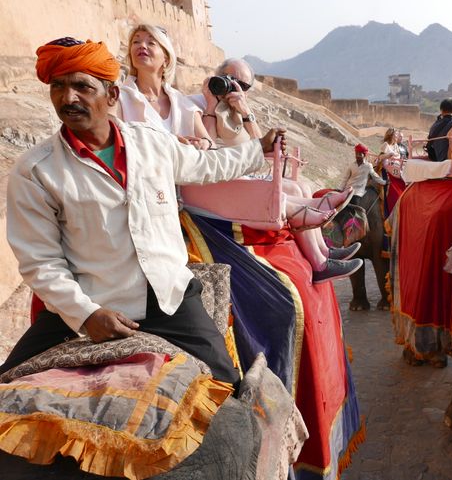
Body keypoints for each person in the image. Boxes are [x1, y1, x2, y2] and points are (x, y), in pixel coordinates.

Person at [0, 37, 288, 389]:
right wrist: (87, 314)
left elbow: (206, 165)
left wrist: (257, 148)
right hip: (91, 303)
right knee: (8, 390)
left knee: (226, 387)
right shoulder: (36, 171)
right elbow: (40, 262)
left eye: (81, 86)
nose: (68, 98)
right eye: (58, 86)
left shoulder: (151, 142)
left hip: (168, 299)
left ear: (112, 96)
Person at [194, 57, 362, 280]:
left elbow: (260, 146)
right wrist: (211, 106)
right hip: (226, 180)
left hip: (247, 173)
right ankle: (319, 263)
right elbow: (208, 149)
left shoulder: (238, 108)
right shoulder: (203, 104)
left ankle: (323, 251)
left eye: (242, 86)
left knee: (302, 187)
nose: (234, 88)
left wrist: (245, 111)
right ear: (217, 76)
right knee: (292, 191)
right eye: (230, 80)